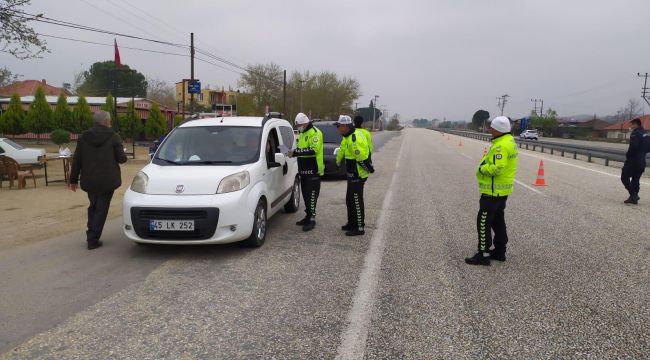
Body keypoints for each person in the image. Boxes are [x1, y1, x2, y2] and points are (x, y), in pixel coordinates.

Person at [69, 111, 127, 250]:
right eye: (110, 121)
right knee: (101, 208)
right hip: (108, 180)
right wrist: (121, 149)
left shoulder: (83, 137)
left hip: (89, 179)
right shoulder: (114, 136)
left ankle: (91, 234)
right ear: (106, 122)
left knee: (93, 206)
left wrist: (73, 180)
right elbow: (122, 159)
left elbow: (77, 159)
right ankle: (93, 239)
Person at [465, 116, 518, 265]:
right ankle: (500, 251)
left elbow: (497, 168)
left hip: (493, 192)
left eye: (491, 127)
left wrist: (482, 168)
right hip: (502, 192)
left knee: (483, 221)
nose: (489, 129)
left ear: (498, 129)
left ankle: (483, 253)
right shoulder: (510, 142)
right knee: (498, 220)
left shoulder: (500, 146)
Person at [336, 115, 371, 236]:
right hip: (351, 173)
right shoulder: (347, 137)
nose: (338, 129)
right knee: (349, 200)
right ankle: (351, 223)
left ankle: (360, 227)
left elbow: (361, 158)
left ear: (345, 126)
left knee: (356, 200)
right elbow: (341, 150)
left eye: (339, 126)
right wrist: (337, 162)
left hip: (358, 174)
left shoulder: (354, 139)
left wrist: (367, 171)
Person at [290, 113, 324, 231]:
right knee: (305, 195)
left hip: (313, 170)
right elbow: (301, 149)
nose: (298, 127)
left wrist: (295, 153)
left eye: (299, 124)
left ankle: (312, 219)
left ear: (304, 123)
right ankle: (308, 216)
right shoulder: (303, 133)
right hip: (304, 171)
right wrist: (290, 151)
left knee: (312, 196)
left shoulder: (315, 133)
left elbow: (313, 150)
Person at [621, 118, 647, 204]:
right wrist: (642, 153)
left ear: (636, 124)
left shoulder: (635, 134)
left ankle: (633, 195)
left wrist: (628, 155)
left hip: (633, 160)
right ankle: (633, 198)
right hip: (642, 160)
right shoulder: (645, 134)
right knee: (636, 179)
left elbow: (633, 147)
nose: (630, 126)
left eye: (631, 124)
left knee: (624, 177)